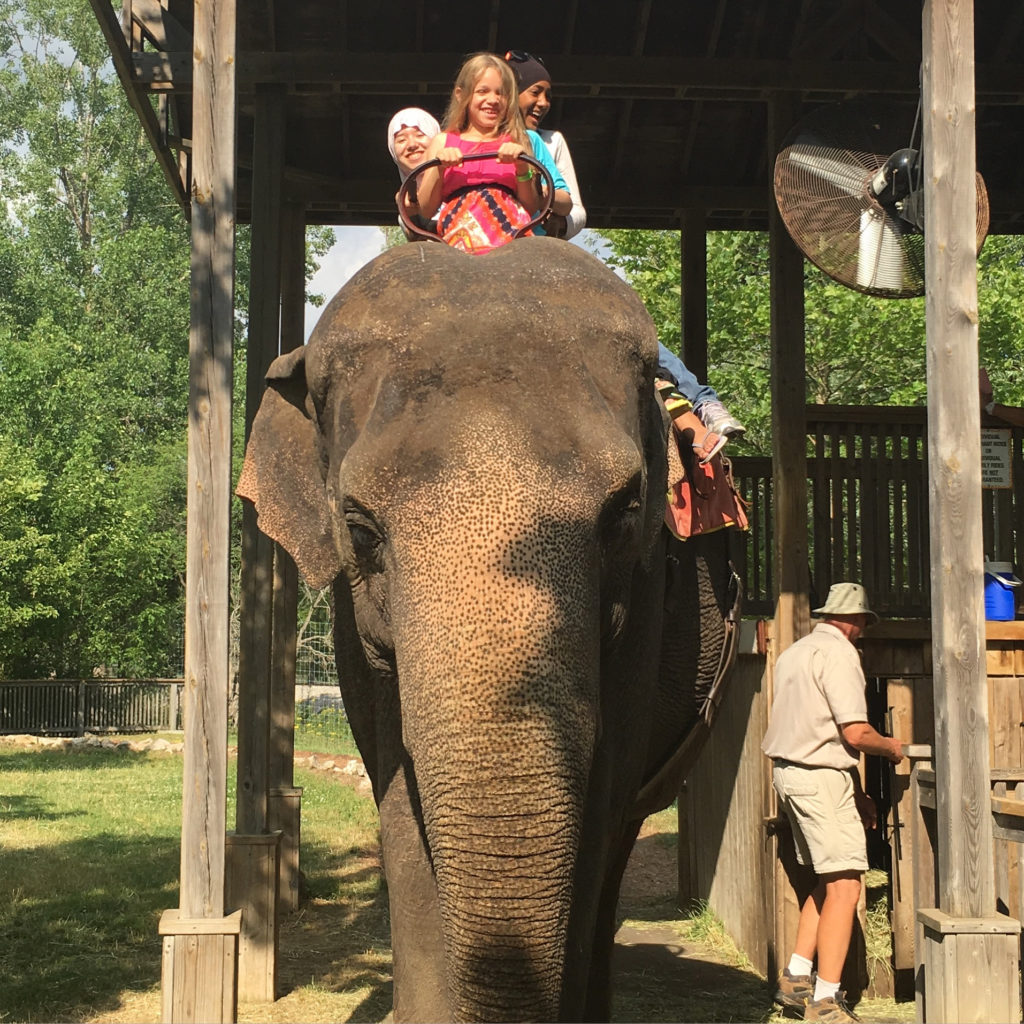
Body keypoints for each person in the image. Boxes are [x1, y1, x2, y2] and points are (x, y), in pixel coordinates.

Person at [504, 48, 745, 451]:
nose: (544, 103)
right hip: (487, 258)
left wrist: (547, 214)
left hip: (546, 259)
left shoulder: (547, 143)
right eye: (535, 92)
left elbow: (575, 210)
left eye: (547, 94)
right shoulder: (470, 143)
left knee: (625, 322)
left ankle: (702, 401)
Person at [761, 582, 904, 1023]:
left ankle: (796, 979)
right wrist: (892, 747)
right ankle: (825, 1003)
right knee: (847, 886)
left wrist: (856, 790)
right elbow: (855, 733)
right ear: (856, 619)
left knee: (827, 881)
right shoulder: (841, 655)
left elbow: (818, 725)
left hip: (792, 774)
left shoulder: (794, 653)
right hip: (820, 777)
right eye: (863, 623)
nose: (862, 631)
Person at [415, 53, 571, 254]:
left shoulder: (518, 140)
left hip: (512, 243)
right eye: (483, 91)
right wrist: (439, 167)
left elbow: (530, 206)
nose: (493, 100)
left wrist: (522, 167)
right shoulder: (442, 141)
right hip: (458, 243)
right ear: (461, 94)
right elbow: (426, 209)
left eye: (501, 93)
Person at [387, 107, 441, 234]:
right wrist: (412, 216)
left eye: (420, 135)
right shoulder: (405, 204)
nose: (412, 145)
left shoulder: (463, 180)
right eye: (401, 140)